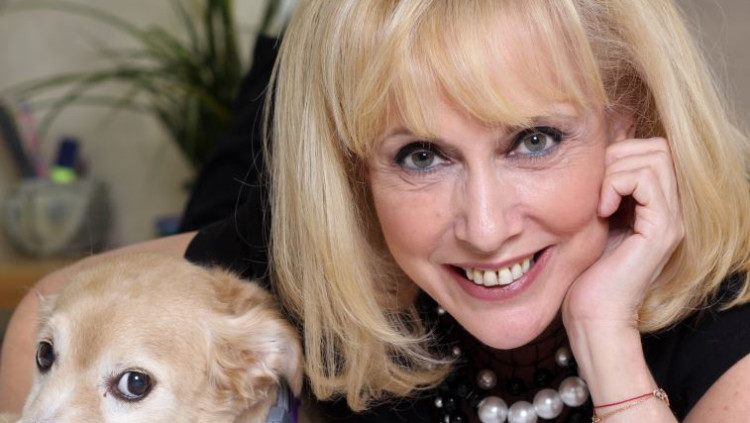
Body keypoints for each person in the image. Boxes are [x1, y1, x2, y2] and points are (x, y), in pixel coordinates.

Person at [2, 1, 749, 422]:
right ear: (358, 173)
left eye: (534, 140)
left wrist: (608, 338)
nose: (486, 227)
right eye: (422, 155)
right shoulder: (310, 251)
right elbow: (49, 308)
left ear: (628, 125)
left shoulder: (731, 331)